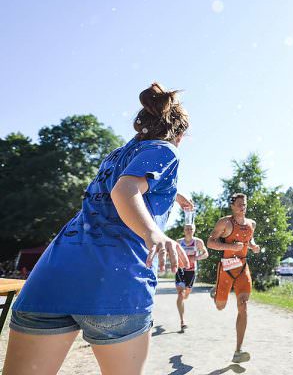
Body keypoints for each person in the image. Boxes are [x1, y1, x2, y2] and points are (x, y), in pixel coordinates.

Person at [3, 83, 192, 375]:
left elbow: (115, 189)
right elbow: (124, 190)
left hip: (52, 277)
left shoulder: (117, 155)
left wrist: (174, 193)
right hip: (113, 284)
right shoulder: (166, 150)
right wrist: (153, 232)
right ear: (179, 135)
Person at [206, 193, 261, 364]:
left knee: (243, 307)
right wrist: (230, 246)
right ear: (232, 206)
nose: (242, 207)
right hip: (227, 269)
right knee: (220, 306)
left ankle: (238, 351)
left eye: (244, 204)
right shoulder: (225, 223)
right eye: (238, 204)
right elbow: (210, 243)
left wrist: (252, 246)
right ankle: (216, 293)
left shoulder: (251, 224)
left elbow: (248, 239)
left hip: (243, 269)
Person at [175, 223, 208, 332]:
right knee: (180, 294)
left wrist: (196, 257)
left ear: (194, 230)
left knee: (186, 294)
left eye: (191, 229)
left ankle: (183, 299)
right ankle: (182, 321)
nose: (189, 231)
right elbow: (172, 253)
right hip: (180, 270)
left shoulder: (198, 242)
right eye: (187, 229)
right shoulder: (179, 242)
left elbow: (206, 254)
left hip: (191, 271)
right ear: (184, 230)